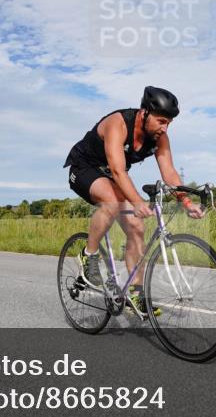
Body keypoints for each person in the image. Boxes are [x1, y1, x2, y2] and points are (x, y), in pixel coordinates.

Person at [63, 86, 205, 317]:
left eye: (168, 123)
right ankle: (88, 255)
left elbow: (168, 172)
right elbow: (119, 172)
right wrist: (138, 201)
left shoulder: (160, 137)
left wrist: (186, 203)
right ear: (144, 113)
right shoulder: (117, 124)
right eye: (161, 121)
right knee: (111, 202)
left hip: (109, 175)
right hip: (84, 169)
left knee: (137, 227)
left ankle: (136, 293)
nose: (165, 128)